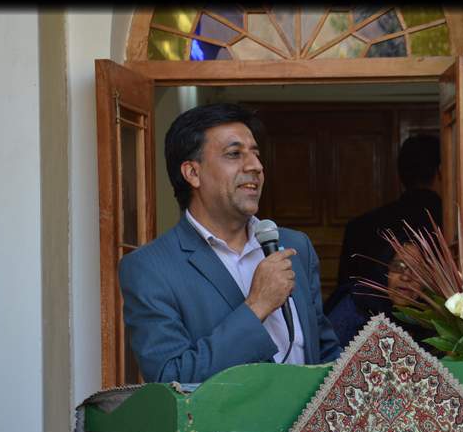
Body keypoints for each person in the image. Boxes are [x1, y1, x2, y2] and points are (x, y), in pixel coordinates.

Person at [119, 103, 341, 383]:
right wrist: (257, 306)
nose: (256, 166)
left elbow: (325, 353)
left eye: (256, 154)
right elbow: (171, 380)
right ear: (192, 173)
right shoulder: (150, 268)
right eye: (235, 154)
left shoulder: (295, 246)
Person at [328, 135, 442, 324]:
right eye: (398, 266)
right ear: (440, 172)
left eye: (417, 270)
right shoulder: (451, 226)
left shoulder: (361, 226)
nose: (406, 277)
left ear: (400, 175)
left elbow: (346, 286)